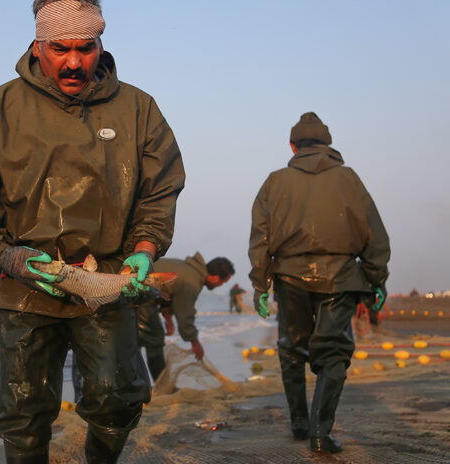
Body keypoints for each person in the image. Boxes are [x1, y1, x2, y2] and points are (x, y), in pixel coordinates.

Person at [0, 1, 185, 462]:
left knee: (118, 399)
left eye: (85, 48)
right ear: (38, 45)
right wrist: (5, 254)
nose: (73, 61)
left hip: (109, 277)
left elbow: (161, 190)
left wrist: (147, 247)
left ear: (100, 45)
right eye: (59, 48)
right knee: (24, 409)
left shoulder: (139, 108)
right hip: (25, 280)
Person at [248, 112, 390, 454]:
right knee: (334, 354)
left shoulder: (274, 181)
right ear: (328, 146)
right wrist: (377, 278)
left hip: (289, 278)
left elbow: (260, 238)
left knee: (292, 349)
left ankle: (298, 424)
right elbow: (372, 232)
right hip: (340, 277)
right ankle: (319, 432)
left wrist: (260, 284)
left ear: (293, 146)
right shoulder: (350, 179)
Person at [136, 253, 234, 382]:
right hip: (138, 293)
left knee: (135, 340)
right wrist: (194, 341)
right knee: (153, 339)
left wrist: (167, 315)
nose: (221, 285)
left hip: (138, 290)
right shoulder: (192, 281)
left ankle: (136, 386)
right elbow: (185, 315)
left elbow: (169, 289)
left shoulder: (189, 269)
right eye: (223, 281)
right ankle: (161, 388)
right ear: (215, 277)